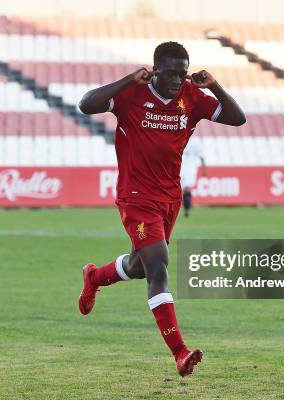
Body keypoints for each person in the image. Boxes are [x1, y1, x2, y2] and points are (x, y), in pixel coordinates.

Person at [77, 41, 245, 376]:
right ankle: (180, 352)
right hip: (136, 196)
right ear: (155, 70)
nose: (177, 80)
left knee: (141, 266)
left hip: (170, 197)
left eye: (182, 74)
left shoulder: (192, 98)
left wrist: (214, 86)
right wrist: (128, 79)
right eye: (170, 73)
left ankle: (94, 277)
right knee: (159, 268)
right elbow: (86, 105)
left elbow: (237, 119)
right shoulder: (130, 95)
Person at [180, 136, 206, 217]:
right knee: (180, 190)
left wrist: (204, 170)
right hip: (179, 167)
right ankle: (182, 207)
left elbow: (201, 156)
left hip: (190, 168)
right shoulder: (180, 137)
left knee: (187, 189)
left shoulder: (195, 142)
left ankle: (186, 209)